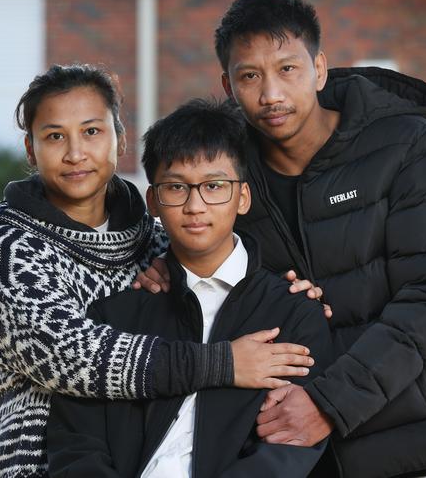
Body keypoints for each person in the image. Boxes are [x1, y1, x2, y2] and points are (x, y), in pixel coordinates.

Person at [141, 0, 426, 476]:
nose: (271, 95)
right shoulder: (234, 177)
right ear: (228, 86)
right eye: (249, 76)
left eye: (288, 69)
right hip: (294, 456)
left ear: (320, 69)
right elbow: (187, 216)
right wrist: (164, 258)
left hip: (418, 439)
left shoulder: (407, 147)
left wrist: (329, 403)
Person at [0, 64, 319, 478]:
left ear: (119, 138)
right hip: (36, 465)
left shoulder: (154, 239)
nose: (76, 153)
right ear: (31, 150)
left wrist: (294, 292)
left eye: (92, 131)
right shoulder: (9, 249)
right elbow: (77, 357)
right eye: (54, 136)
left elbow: (211, 269)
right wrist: (224, 363)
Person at [46, 98, 333, 478]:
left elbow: (286, 453)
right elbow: (76, 445)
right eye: (177, 187)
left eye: (214, 186)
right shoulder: (114, 317)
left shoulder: (294, 312)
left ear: (242, 197)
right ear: (154, 201)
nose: (195, 205)